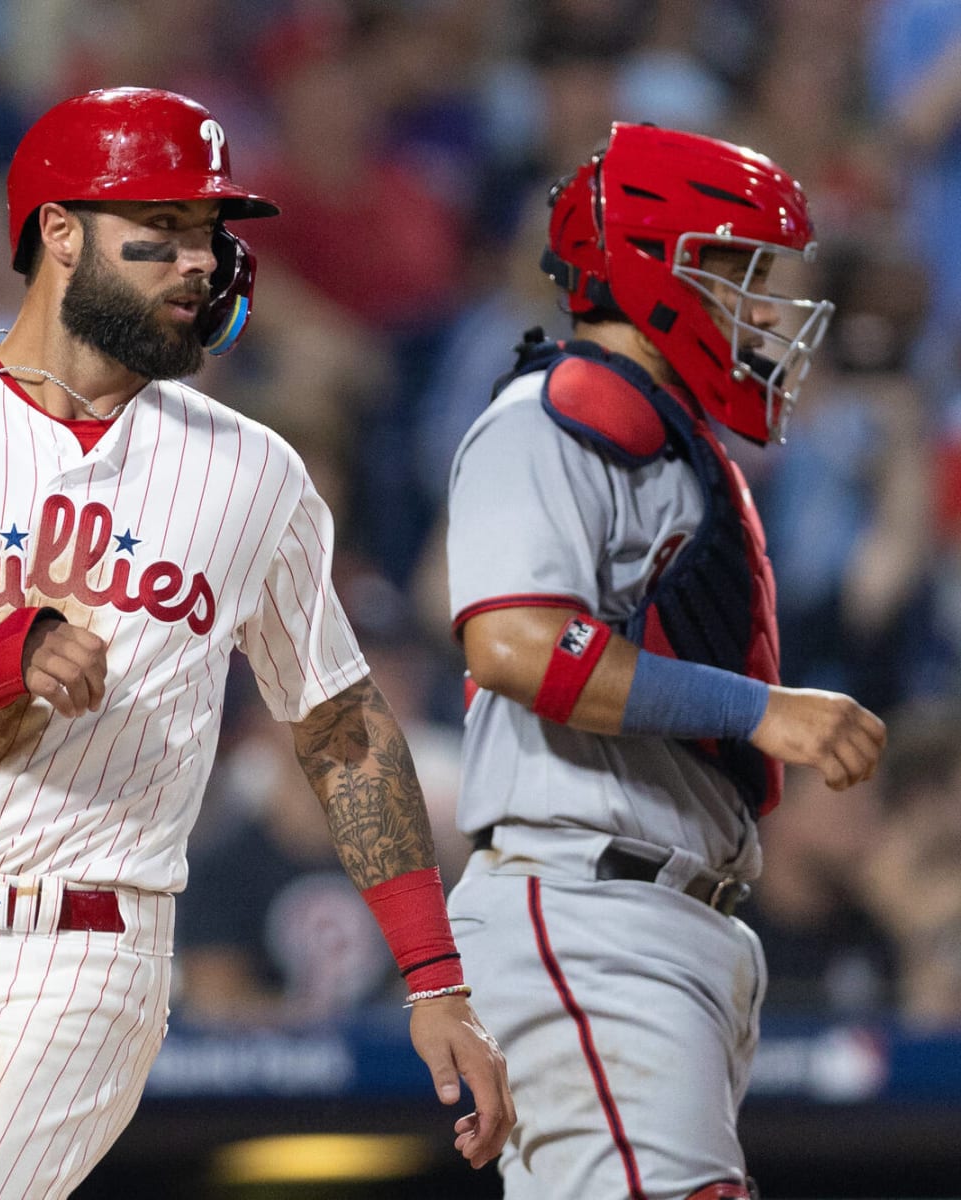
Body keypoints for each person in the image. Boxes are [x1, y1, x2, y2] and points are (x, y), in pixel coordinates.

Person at [0, 86, 514, 1199]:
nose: (200, 261)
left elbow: (342, 729)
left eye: (210, 232)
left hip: (78, 948)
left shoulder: (253, 475)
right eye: (165, 228)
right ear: (59, 231)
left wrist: (436, 980)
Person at [443, 123, 887, 1200]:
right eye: (734, 271)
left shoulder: (663, 435)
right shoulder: (547, 419)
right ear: (650, 265)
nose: (763, 307)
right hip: (589, 899)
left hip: (665, 913)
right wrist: (754, 708)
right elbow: (514, 643)